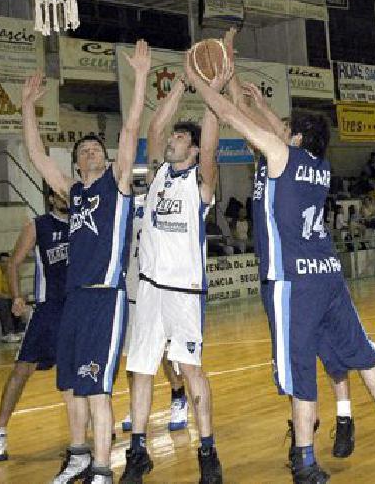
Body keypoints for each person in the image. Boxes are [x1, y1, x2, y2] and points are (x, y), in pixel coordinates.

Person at [188, 55, 375, 483]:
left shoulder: (280, 156)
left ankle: (305, 462)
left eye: (285, 127)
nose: (277, 129)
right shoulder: (319, 167)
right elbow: (275, 130)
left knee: (299, 373)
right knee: (362, 354)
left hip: (291, 281)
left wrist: (204, 86)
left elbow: (239, 119)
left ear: (295, 136)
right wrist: (242, 87)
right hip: (328, 274)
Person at [20, 39, 150, 484]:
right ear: (76, 166)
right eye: (84, 152)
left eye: (97, 149)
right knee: (71, 386)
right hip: (73, 300)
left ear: (108, 159)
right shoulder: (74, 195)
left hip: (104, 299)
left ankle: (101, 468)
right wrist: (26, 109)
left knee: (96, 387)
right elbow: (37, 156)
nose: (91, 152)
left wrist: (140, 79)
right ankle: (77, 455)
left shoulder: (117, 187)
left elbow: (131, 130)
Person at [121, 31, 235, 484]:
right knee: (142, 370)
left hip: (183, 291)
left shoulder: (200, 181)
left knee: (190, 370)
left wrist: (211, 89)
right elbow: (152, 128)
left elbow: (210, 144)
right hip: (148, 288)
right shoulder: (160, 174)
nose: (172, 142)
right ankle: (137, 452)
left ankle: (207, 451)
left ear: (190, 147)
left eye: (179, 139)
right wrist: (182, 84)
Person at [0, 190, 71, 462]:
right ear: (51, 200)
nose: (66, 198)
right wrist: (17, 296)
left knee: (79, 371)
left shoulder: (84, 223)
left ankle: (88, 425)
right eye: (60, 195)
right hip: (49, 309)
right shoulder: (38, 225)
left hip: (78, 307)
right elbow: (13, 263)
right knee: (22, 369)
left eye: (69, 193)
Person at [120, 193, 189, 435]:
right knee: (132, 358)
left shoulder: (170, 201)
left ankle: (178, 396)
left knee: (166, 354)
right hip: (131, 289)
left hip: (160, 289)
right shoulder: (126, 206)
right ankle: (135, 404)